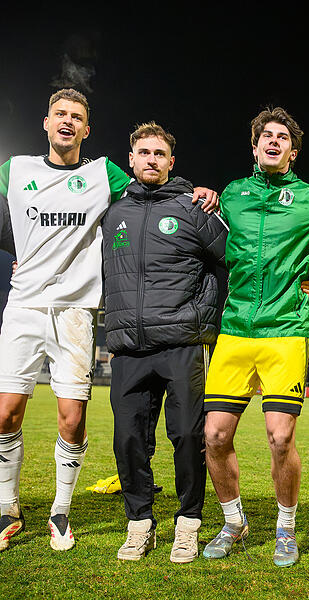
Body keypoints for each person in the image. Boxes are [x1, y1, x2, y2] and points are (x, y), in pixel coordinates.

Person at [0, 88, 216, 553]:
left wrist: (201, 190)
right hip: (70, 322)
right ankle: (18, 507)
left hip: (125, 324)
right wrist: (22, 256)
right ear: (45, 121)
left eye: (76, 117)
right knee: (20, 417)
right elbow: (21, 224)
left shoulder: (135, 186)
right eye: (59, 114)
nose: (66, 122)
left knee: (159, 432)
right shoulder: (31, 174)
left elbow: (210, 248)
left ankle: (171, 519)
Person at [201, 107, 309, 567]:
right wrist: (202, 195)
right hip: (235, 329)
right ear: (255, 147)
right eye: (266, 136)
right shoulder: (233, 194)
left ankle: (286, 528)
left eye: (282, 138)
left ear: (293, 152)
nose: (273, 142)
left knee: (280, 439)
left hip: (285, 332)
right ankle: (234, 523)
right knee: (214, 436)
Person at [102, 122, 227, 563]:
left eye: (160, 153)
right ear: (131, 159)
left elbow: (227, 262)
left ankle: (188, 524)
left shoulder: (195, 208)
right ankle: (139, 525)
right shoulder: (113, 211)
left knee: (188, 435)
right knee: (128, 439)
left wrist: (199, 319)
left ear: (171, 162)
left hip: (180, 342)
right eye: (144, 152)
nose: (152, 159)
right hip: (129, 347)